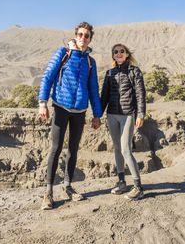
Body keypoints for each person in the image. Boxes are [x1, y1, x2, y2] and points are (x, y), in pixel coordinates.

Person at [38, 21, 102, 210]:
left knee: (73, 149)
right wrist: (43, 102)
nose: (83, 38)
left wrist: (97, 114)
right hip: (60, 107)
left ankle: (68, 186)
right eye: (80, 35)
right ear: (75, 36)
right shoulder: (63, 53)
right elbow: (48, 76)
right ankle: (48, 192)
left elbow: (93, 89)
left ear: (90, 39)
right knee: (56, 148)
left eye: (87, 36)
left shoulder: (91, 62)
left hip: (79, 111)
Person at [100, 43, 146, 200]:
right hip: (112, 115)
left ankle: (138, 187)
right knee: (117, 149)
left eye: (122, 51)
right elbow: (104, 96)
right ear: (113, 56)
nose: (119, 53)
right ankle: (121, 182)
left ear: (127, 54)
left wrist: (140, 115)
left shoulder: (134, 71)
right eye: (115, 52)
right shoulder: (109, 73)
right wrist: (97, 115)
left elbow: (140, 95)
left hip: (127, 115)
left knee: (126, 149)